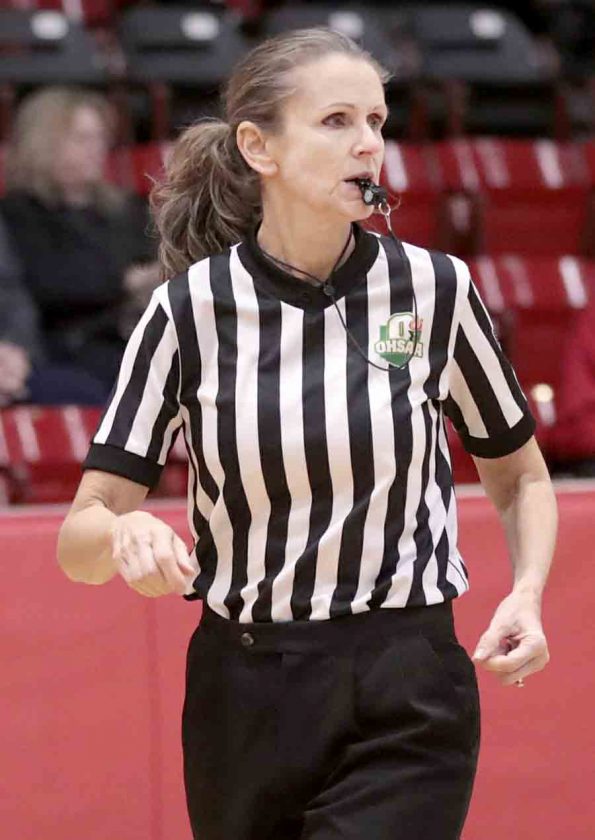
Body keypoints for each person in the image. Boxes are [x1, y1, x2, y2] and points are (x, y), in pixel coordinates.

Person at [57, 28, 558, 840]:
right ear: (258, 147)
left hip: (408, 682)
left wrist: (527, 593)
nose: (368, 144)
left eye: (376, 121)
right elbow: (77, 540)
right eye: (336, 121)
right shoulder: (187, 313)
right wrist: (121, 533)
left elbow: (520, 474)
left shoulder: (434, 288)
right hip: (244, 689)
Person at [0, 87, 160, 404]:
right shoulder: (19, 212)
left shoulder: (126, 208)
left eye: (100, 138)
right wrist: (126, 281)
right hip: (65, 349)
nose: (95, 149)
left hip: (131, 339)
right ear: (44, 144)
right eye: (81, 139)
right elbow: (48, 284)